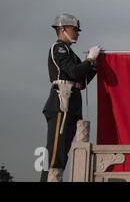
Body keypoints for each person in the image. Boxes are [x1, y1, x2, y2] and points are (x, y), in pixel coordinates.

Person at [40, 13, 101, 182]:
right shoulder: (59, 48)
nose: (77, 33)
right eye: (74, 29)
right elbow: (74, 71)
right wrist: (89, 60)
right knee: (55, 151)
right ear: (62, 29)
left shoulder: (70, 53)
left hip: (72, 103)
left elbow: (81, 80)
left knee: (63, 150)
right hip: (62, 103)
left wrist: (93, 66)